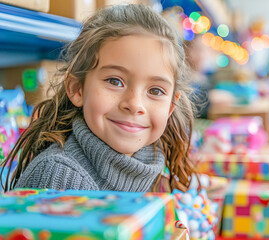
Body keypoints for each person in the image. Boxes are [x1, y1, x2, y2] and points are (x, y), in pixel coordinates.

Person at [0, 4, 196, 192]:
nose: (135, 104)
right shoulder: (60, 177)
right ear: (77, 89)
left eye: (155, 91)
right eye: (115, 81)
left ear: (171, 106)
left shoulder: (152, 163)